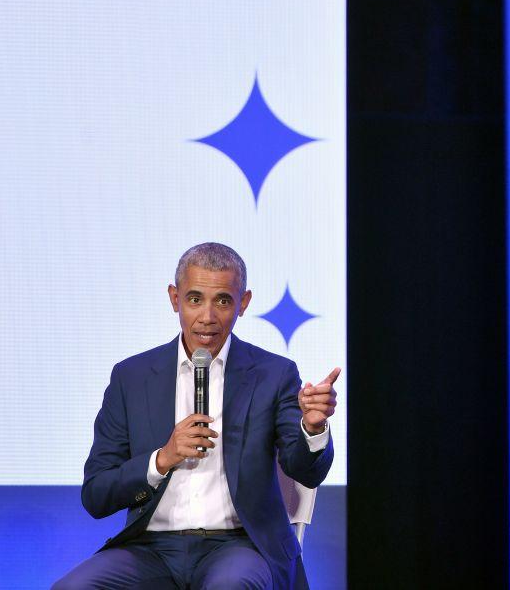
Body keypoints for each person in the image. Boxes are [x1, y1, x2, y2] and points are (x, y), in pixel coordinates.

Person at [53, 242, 339, 589]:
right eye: (194, 299)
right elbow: (96, 494)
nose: (208, 316)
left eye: (223, 300)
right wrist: (162, 459)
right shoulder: (132, 377)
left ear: (243, 303)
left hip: (238, 546)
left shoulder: (272, 374)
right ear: (175, 299)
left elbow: (304, 469)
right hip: (150, 549)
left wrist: (313, 427)